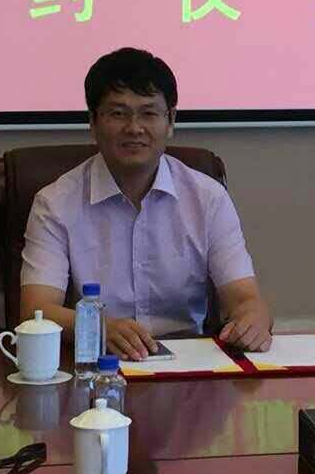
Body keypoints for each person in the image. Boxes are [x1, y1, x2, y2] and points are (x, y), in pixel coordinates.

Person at [20, 47, 273, 359]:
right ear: (93, 122)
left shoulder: (207, 198)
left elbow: (244, 298)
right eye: (118, 114)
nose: (134, 128)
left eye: (149, 113)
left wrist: (254, 317)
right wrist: (99, 326)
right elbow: (36, 310)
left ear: (171, 121)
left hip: (188, 367)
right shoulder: (55, 203)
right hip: (96, 365)